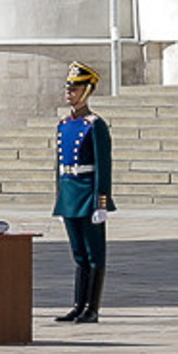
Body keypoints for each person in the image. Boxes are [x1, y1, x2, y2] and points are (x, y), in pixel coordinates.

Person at [50, 62, 114, 326]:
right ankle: (78, 305)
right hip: (70, 193)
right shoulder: (64, 124)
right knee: (78, 253)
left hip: (87, 194)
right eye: (68, 88)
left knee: (93, 253)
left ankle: (92, 308)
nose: (69, 92)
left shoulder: (94, 125)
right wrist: (60, 198)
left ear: (87, 91)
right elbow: (58, 165)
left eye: (75, 88)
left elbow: (103, 165)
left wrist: (101, 201)